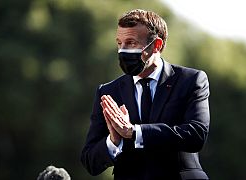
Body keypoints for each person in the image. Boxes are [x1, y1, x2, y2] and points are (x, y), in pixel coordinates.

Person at [81, 9, 210, 180]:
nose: (122, 51)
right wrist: (113, 141)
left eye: (131, 43)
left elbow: (196, 134)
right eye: (119, 43)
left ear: (157, 45)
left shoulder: (190, 80)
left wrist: (135, 132)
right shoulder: (108, 92)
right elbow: (90, 161)